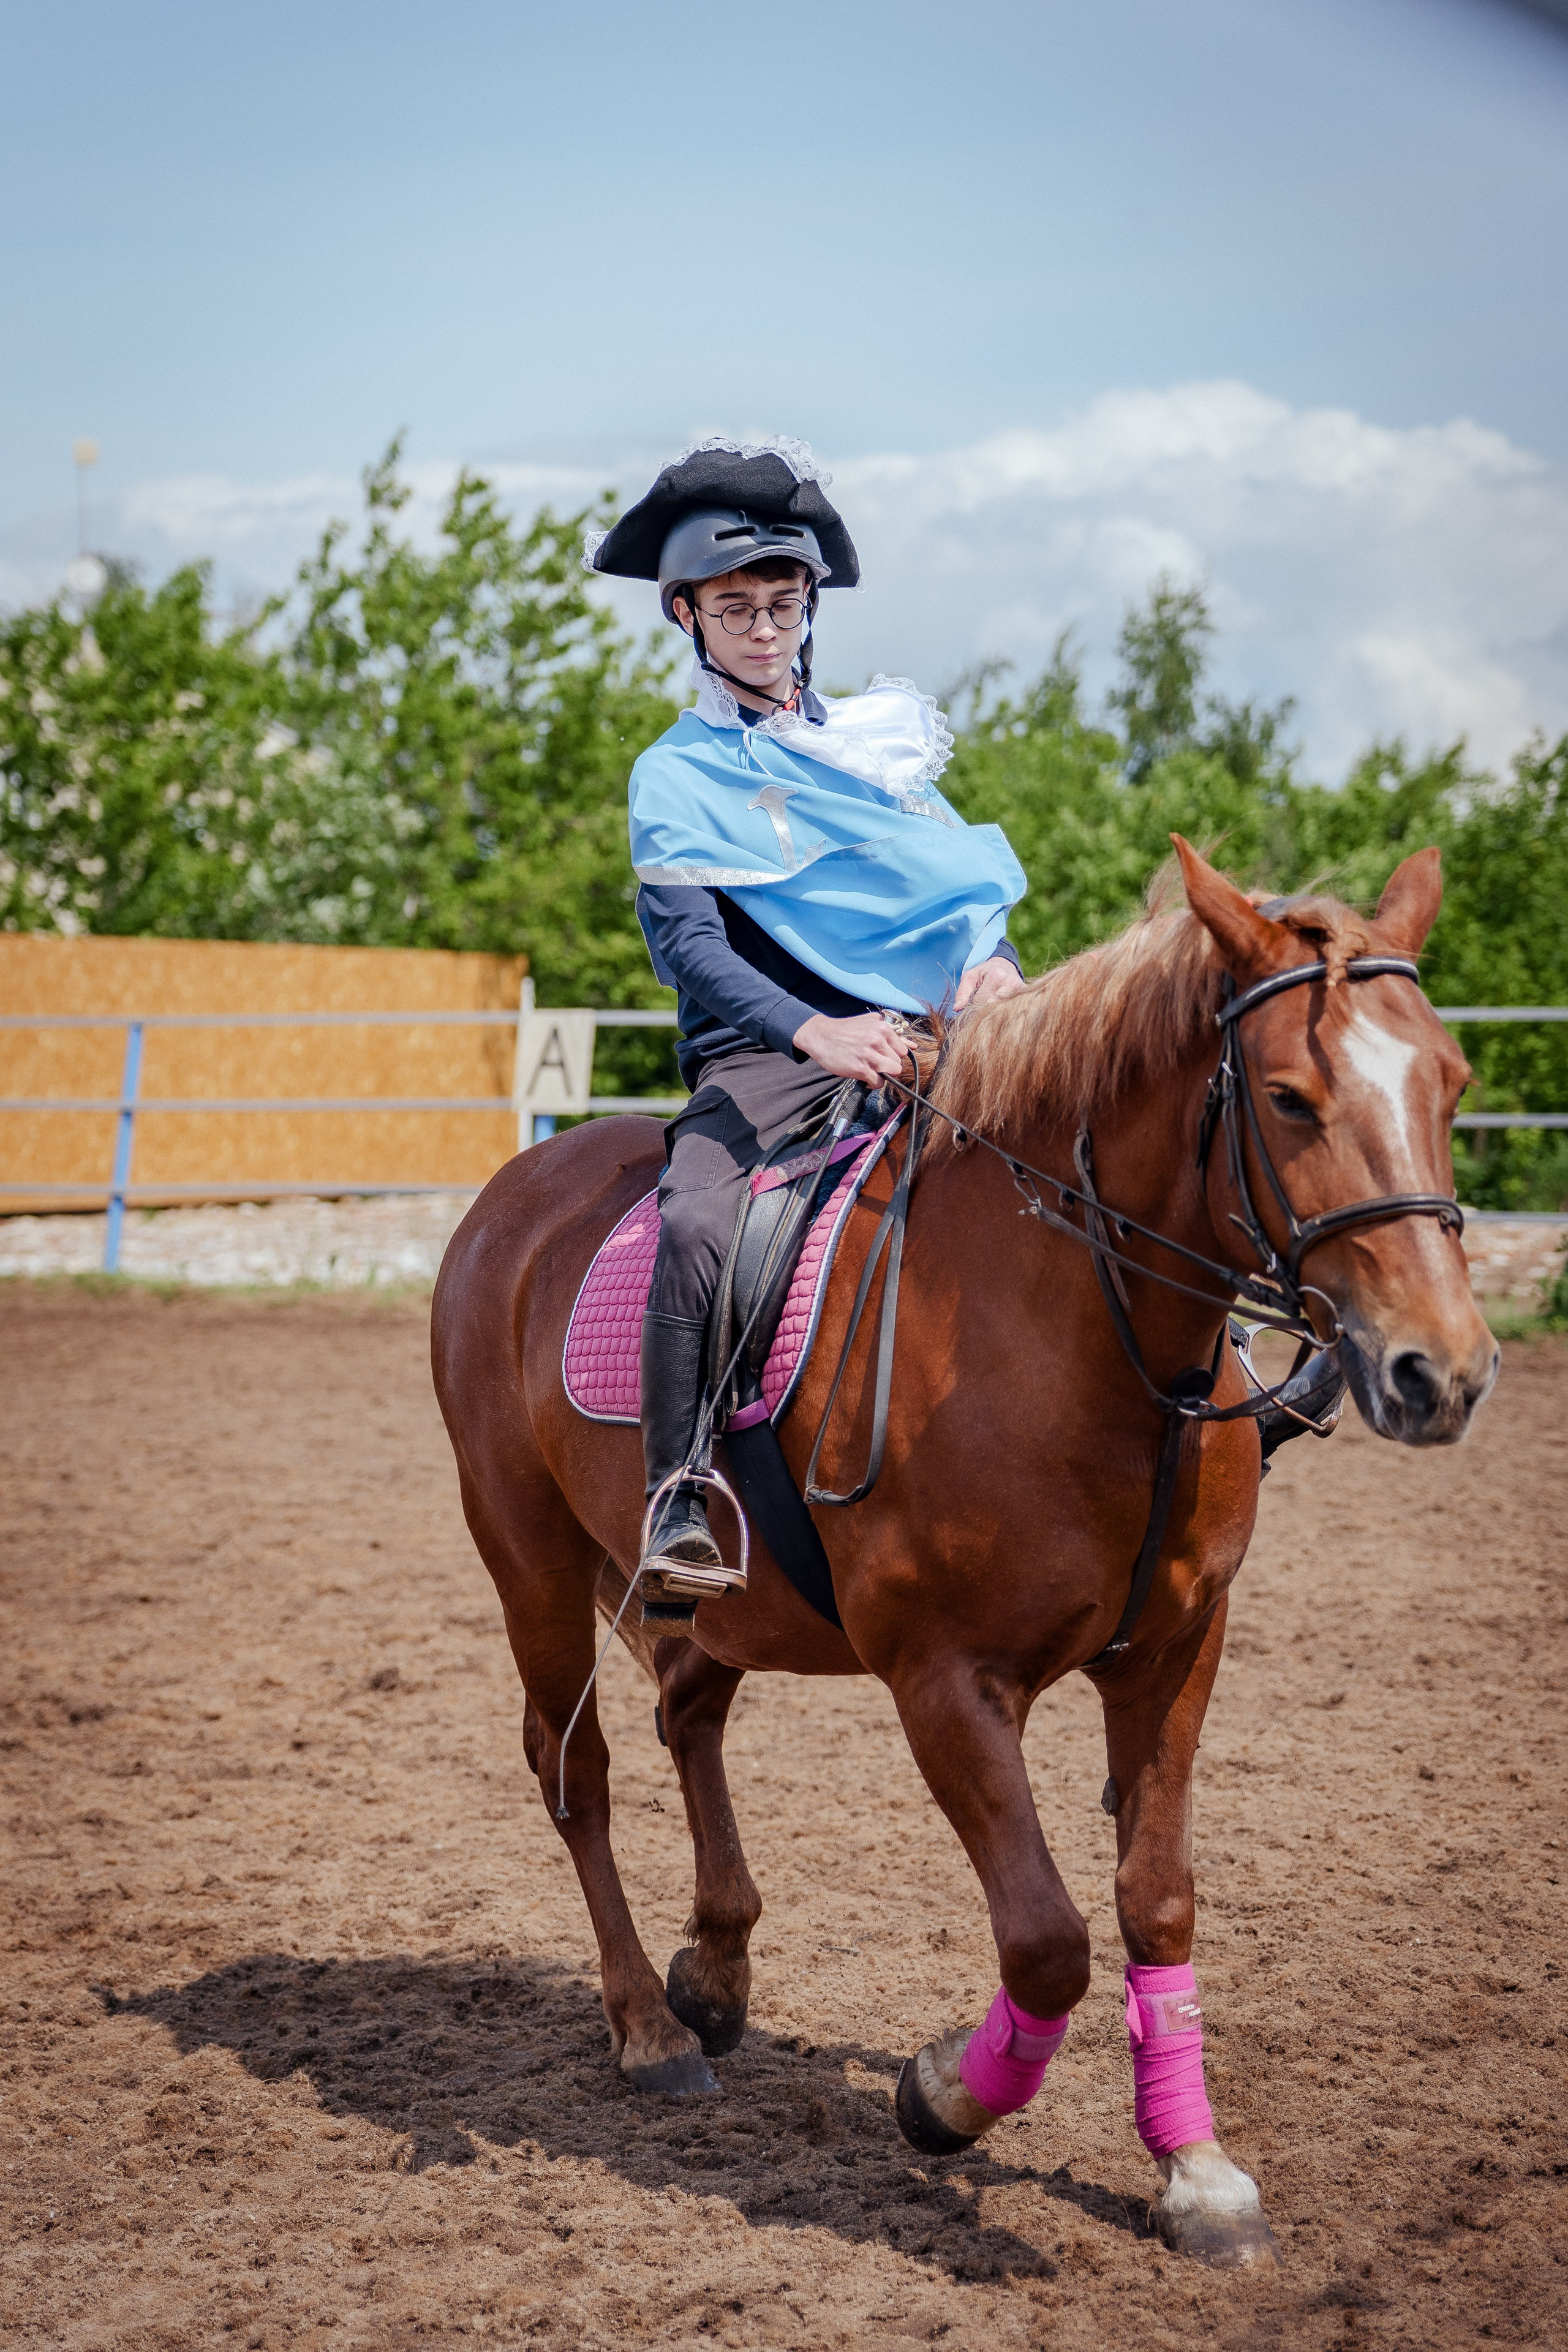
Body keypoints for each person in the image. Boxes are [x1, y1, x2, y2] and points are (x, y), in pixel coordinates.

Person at [587, 436, 1028, 1593]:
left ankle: (1225, 1365)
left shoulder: (879, 754)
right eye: (738, 608)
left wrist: (995, 968)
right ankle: (676, 1494)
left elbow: (955, 903)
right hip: (769, 1053)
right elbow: (689, 950)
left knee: (1097, 1127)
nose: (767, 628)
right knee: (693, 1223)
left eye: (785, 604)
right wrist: (813, 1032)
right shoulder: (675, 777)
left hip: (930, 1033)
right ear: (687, 616)